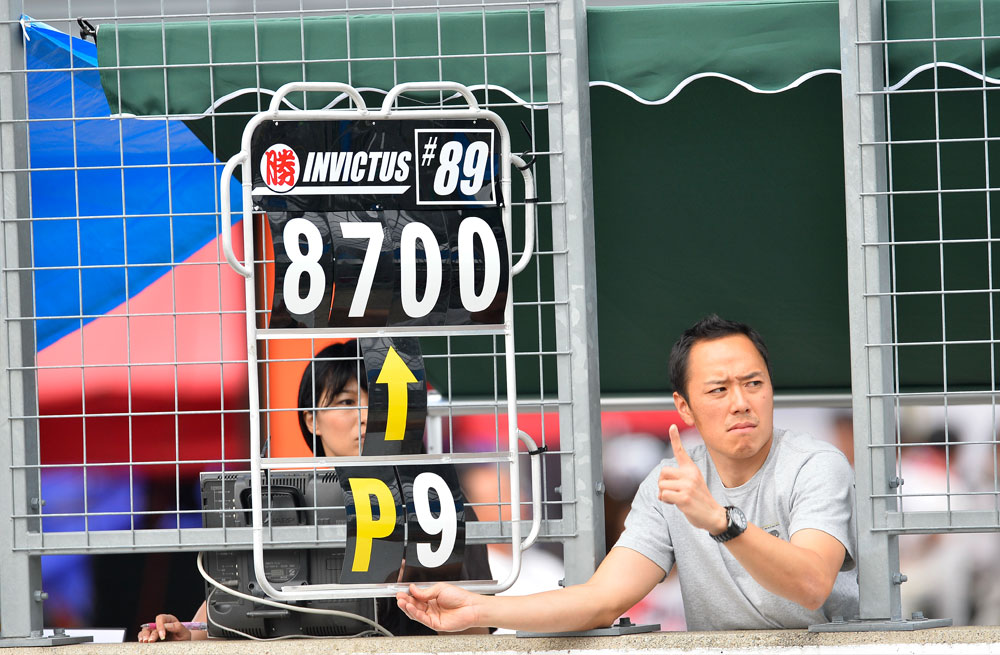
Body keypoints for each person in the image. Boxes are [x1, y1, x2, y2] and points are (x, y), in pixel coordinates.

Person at [396, 315, 860, 632]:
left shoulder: (815, 464)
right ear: (685, 407)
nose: (741, 401)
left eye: (754, 383)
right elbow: (602, 600)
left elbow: (811, 586)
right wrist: (478, 609)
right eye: (718, 389)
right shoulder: (668, 482)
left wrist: (721, 522)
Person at [139, 340, 488, 641]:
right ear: (312, 420)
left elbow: (477, 633)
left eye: (380, 403)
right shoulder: (276, 503)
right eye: (346, 402)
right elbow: (232, 601)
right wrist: (189, 633)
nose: (366, 416)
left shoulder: (436, 501)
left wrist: (419, 581)